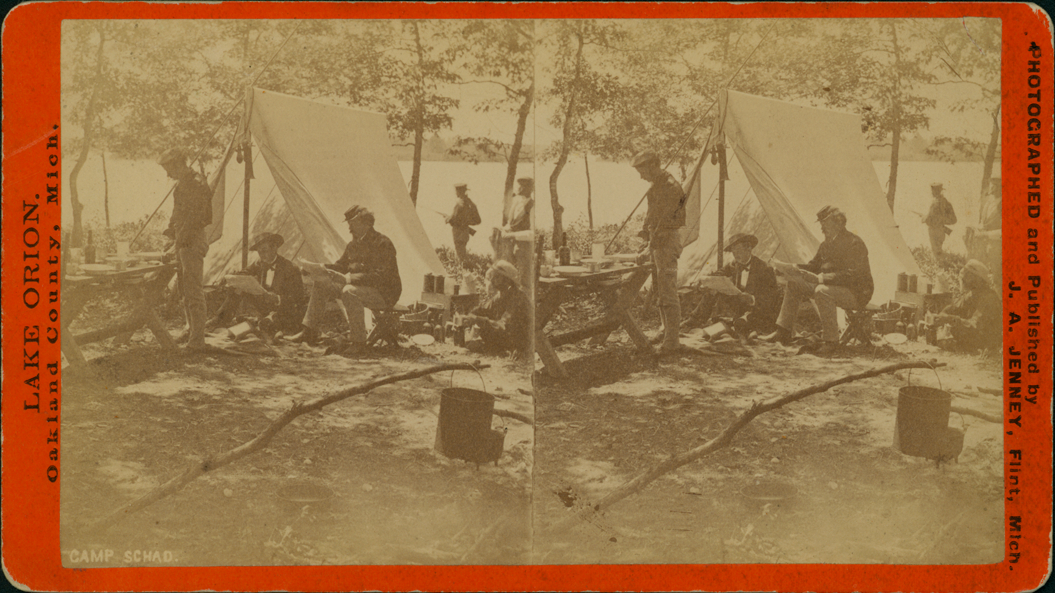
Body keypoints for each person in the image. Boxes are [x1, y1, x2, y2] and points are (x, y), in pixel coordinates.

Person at [762, 206, 873, 355]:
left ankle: (831, 342)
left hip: (857, 293)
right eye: (821, 224)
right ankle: (783, 331)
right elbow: (813, 267)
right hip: (833, 288)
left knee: (822, 291)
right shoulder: (825, 245)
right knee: (795, 283)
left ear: (839, 223)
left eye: (825, 223)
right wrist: (791, 268)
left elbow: (853, 275)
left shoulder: (854, 243)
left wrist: (821, 278)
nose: (822, 228)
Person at [287, 205, 401, 349]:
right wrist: (315, 268)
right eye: (349, 224)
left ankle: (358, 342)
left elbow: (381, 276)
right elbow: (340, 267)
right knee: (321, 283)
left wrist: (348, 279)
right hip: (359, 288)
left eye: (352, 224)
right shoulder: (352, 245)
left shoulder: (383, 243)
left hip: (385, 293)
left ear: (366, 223)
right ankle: (309, 331)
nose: (349, 228)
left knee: (349, 291)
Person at [631, 150, 687, 354]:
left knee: (668, 291)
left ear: (653, 166)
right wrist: (645, 236)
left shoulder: (671, 187)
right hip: (657, 241)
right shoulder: (656, 186)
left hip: (667, 241)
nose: (641, 177)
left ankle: (672, 342)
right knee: (659, 289)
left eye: (642, 172)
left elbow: (667, 224)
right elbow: (651, 216)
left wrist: (649, 247)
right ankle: (665, 330)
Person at [158, 148, 212, 351]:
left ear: (178, 164)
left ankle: (198, 341)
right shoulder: (182, 185)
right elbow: (177, 213)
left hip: (192, 240)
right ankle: (191, 329)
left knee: (194, 291)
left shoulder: (197, 183)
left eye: (169, 168)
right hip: (182, 240)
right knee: (184, 290)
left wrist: (179, 240)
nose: (167, 174)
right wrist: (171, 232)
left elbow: (197, 218)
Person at [208, 232, 306, 337]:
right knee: (238, 288)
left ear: (274, 248)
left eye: (264, 251)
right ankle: (220, 318)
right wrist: (231, 278)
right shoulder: (259, 263)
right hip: (265, 306)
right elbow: (245, 272)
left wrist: (277, 298)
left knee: (266, 326)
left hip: (283, 310)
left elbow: (297, 299)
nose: (262, 255)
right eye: (259, 253)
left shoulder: (290, 268)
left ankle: (266, 324)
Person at [686, 233, 780, 336]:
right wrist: (705, 281)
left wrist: (752, 299)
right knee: (712, 288)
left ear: (749, 248)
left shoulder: (765, 269)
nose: (736, 254)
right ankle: (694, 320)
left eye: (738, 250)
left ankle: (739, 326)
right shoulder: (733, 265)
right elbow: (718, 275)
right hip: (739, 307)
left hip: (758, 310)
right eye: (733, 252)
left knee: (743, 326)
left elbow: (771, 299)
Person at [927, 260, 1001, 352]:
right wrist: (943, 314)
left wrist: (950, 319)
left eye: (967, 275)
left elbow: (975, 326)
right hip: (975, 341)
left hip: (985, 345)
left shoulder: (989, 298)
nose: (963, 278)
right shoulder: (973, 294)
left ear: (978, 279)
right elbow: (954, 307)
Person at [460, 261, 531, 357]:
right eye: (492, 276)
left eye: (497, 277)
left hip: (518, 344)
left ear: (507, 280)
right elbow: (484, 310)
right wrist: (469, 315)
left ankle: (500, 350)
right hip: (507, 339)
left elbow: (503, 326)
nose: (492, 280)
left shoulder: (517, 298)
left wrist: (476, 319)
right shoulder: (501, 295)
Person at [446, 183, 481, 266]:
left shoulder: (460, 203)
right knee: (462, 255)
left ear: (459, 191)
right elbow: (477, 220)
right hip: (464, 232)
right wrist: (465, 222)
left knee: (461, 257)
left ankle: (465, 271)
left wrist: (448, 219)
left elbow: (455, 220)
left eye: (456, 191)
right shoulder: (470, 203)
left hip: (459, 233)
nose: (455, 193)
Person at [922, 182, 957, 256]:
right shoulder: (947, 203)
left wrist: (924, 218)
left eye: (933, 191)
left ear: (936, 191)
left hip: (934, 231)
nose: (932, 193)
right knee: (939, 252)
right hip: (941, 231)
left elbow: (929, 220)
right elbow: (954, 220)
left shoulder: (935, 203)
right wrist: (942, 220)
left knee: (936, 254)